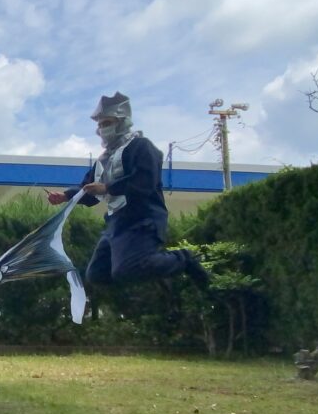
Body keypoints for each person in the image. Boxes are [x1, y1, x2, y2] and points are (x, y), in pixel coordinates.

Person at [47, 92, 210, 288]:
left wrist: (108, 187)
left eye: (107, 123)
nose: (102, 129)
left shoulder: (141, 147)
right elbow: (89, 191)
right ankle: (152, 273)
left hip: (142, 219)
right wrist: (66, 195)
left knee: (127, 270)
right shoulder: (103, 159)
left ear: (122, 121)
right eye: (100, 125)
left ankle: (184, 259)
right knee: (97, 274)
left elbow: (145, 181)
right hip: (115, 223)